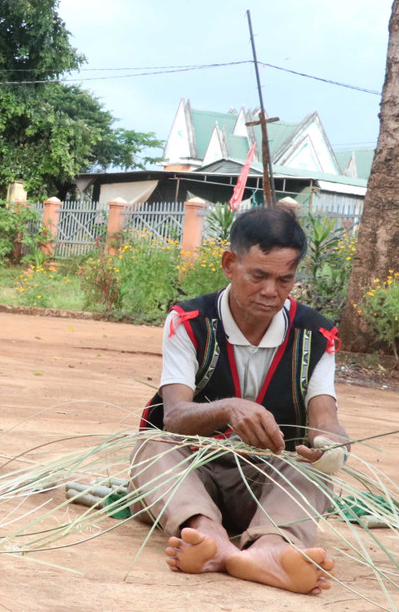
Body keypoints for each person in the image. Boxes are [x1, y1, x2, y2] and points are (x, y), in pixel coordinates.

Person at [131, 206, 349, 595]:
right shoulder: (190, 320)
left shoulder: (316, 335)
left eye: (285, 279)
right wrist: (229, 406)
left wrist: (332, 447)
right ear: (230, 264)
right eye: (259, 275)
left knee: (314, 470)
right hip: (194, 478)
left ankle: (268, 547)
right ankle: (208, 533)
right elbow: (175, 416)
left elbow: (325, 417)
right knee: (151, 446)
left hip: (266, 488)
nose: (271, 292)